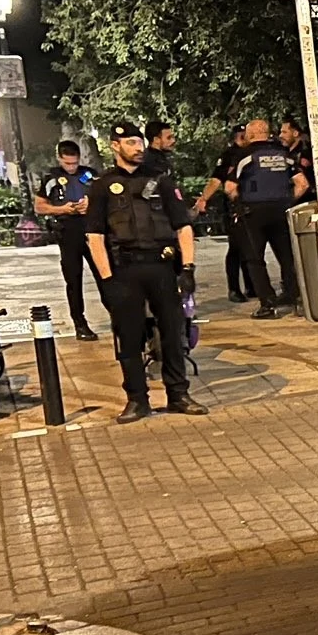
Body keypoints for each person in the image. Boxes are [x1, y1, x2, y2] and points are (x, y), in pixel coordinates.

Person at [85, 122, 207, 424]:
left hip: (162, 266)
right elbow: (95, 237)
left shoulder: (161, 181)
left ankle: (178, 394)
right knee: (128, 338)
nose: (138, 148)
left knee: (172, 333)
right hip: (124, 270)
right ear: (115, 146)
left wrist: (188, 268)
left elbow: (183, 226)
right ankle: (137, 400)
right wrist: (107, 280)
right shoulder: (102, 186)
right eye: (130, 143)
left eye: (139, 142)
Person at [224, 119, 308, 318]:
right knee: (287, 257)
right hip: (282, 211)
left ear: (250, 135)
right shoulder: (283, 154)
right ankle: (295, 298)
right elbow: (302, 184)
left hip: (253, 213)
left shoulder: (244, 155)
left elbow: (229, 187)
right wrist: (288, 200)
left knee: (254, 259)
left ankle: (268, 305)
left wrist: (238, 202)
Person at [33, 141, 103, 341]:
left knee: (104, 274)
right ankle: (80, 323)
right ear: (59, 159)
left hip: (92, 229)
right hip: (67, 231)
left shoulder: (89, 174)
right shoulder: (51, 178)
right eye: (67, 163)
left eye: (74, 163)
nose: (71, 167)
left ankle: (117, 315)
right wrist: (63, 209)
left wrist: (91, 204)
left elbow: (104, 196)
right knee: (74, 280)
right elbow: (40, 206)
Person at [194, 125, 251, 303]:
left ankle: (252, 286)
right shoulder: (229, 155)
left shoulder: (252, 152)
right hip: (234, 207)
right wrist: (203, 199)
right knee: (236, 248)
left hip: (251, 205)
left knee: (250, 248)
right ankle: (234, 289)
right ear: (240, 137)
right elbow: (216, 180)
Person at [280, 116, 315, 200]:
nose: (280, 135)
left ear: (295, 133)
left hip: (304, 202)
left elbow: (303, 184)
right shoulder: (287, 153)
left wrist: (289, 201)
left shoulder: (305, 154)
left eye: (284, 132)